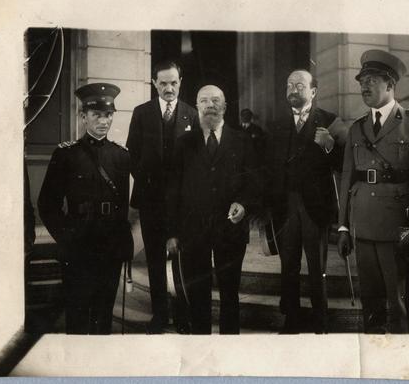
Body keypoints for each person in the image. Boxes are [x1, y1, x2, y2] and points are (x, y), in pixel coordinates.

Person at [336, 49, 409, 333]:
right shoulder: (357, 129)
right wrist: (344, 227)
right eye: (361, 81)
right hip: (363, 227)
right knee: (369, 304)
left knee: (398, 305)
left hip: (398, 230)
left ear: (390, 85)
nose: (364, 86)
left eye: (371, 80)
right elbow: (348, 179)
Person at [38, 83, 133, 334]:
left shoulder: (121, 156)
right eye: (96, 115)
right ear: (83, 117)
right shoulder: (66, 155)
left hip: (110, 248)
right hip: (78, 246)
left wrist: (123, 242)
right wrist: (67, 237)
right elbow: (47, 204)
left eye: (108, 115)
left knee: (103, 319)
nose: (104, 121)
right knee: (78, 317)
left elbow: (122, 205)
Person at [166, 85, 260, 334]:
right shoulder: (184, 143)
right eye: (204, 101)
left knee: (230, 294)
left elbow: (254, 182)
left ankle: (229, 352)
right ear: (196, 107)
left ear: (225, 107)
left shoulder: (242, 141)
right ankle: (201, 349)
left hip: (230, 230)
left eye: (216, 100)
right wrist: (172, 233)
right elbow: (173, 190)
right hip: (193, 232)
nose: (210, 105)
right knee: (198, 295)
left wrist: (244, 203)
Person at [265, 69, 342, 334]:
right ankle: (292, 320)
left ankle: (321, 322)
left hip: (315, 208)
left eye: (299, 85)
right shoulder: (276, 124)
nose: (293, 89)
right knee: (289, 265)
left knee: (316, 266)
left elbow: (345, 164)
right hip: (286, 207)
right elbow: (269, 169)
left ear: (313, 91)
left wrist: (329, 145)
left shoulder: (329, 121)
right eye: (289, 84)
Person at [126, 61, 198, 334]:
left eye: (174, 83)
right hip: (151, 200)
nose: (169, 88)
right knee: (156, 260)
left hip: (182, 204)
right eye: (163, 83)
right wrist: (151, 183)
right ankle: (159, 316)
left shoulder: (191, 115)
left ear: (181, 82)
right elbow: (133, 154)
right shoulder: (141, 113)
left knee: (181, 261)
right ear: (154, 83)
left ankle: (183, 316)